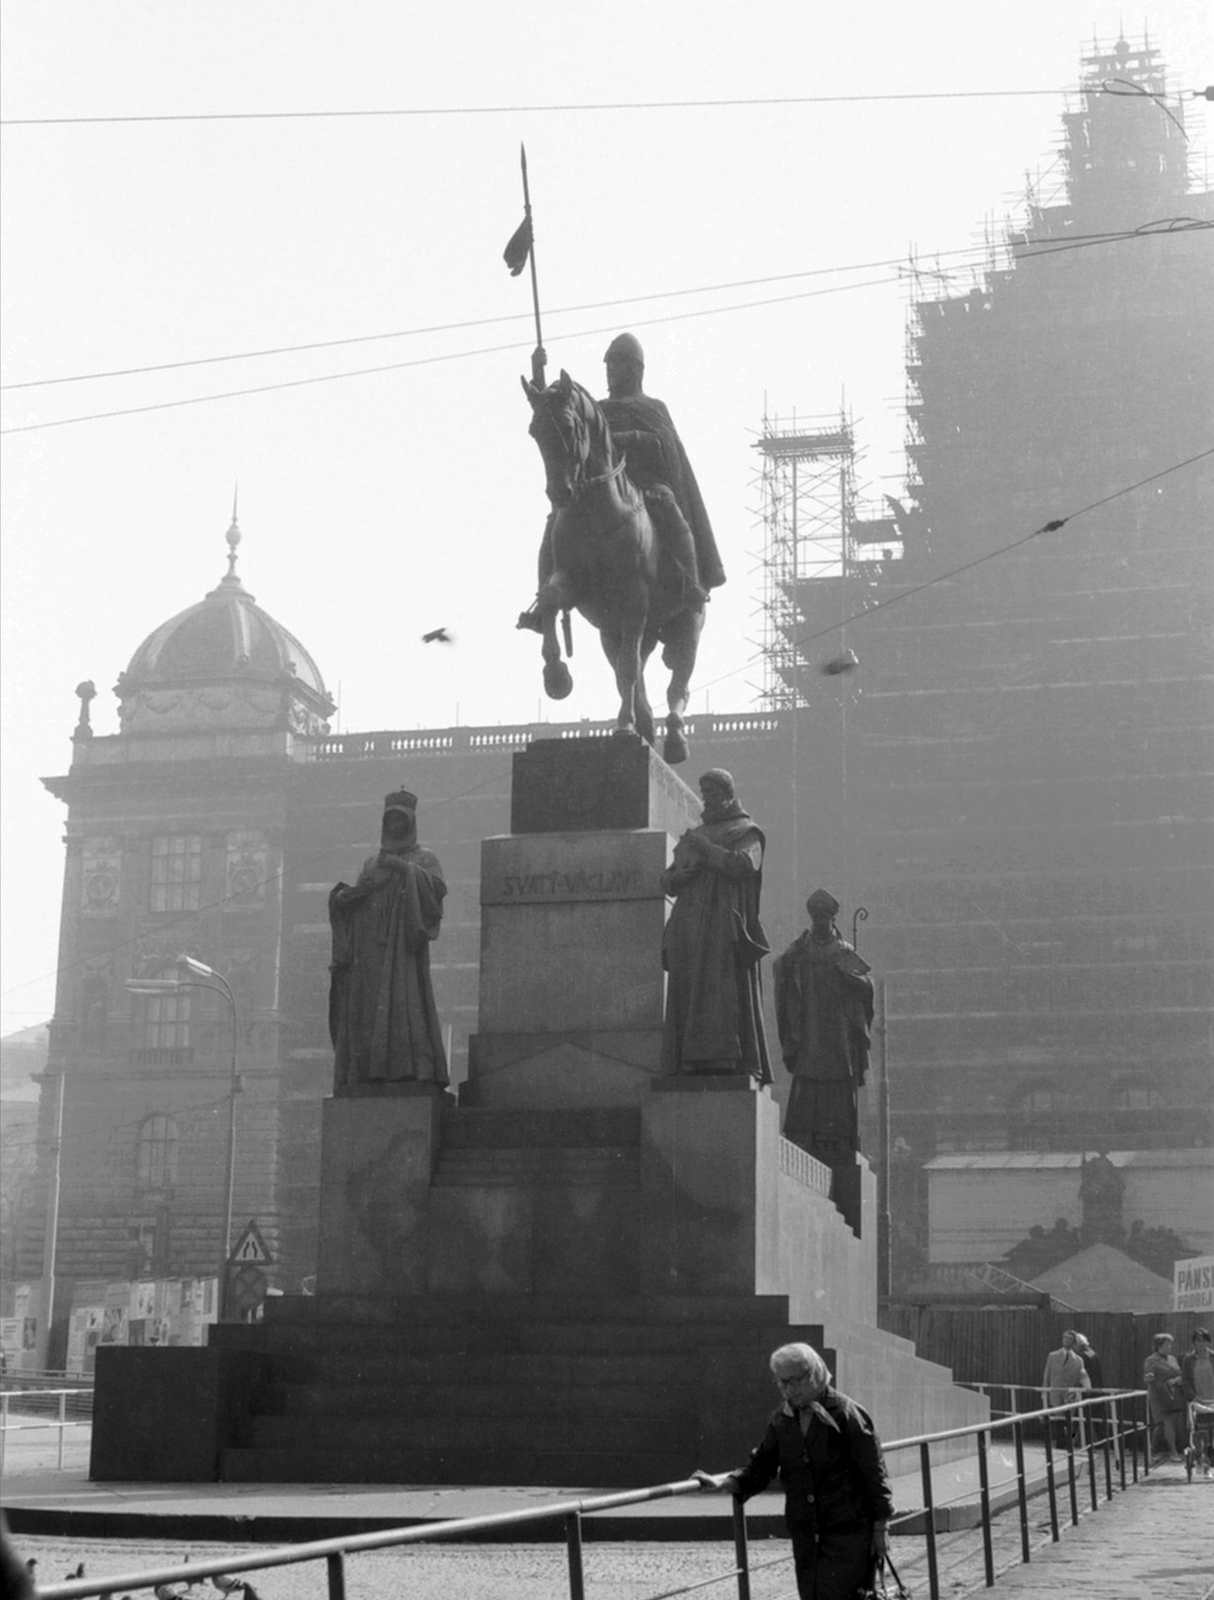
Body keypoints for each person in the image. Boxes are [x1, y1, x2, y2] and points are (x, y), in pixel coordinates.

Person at [518, 332, 725, 630]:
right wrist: (538, 371)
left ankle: (691, 583)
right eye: (608, 366)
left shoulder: (653, 407)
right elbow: (552, 413)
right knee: (555, 523)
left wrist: (628, 439)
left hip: (648, 484)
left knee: (673, 514)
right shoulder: (597, 408)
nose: (611, 372)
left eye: (617, 365)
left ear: (635, 370)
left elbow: (664, 444)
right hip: (599, 489)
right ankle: (543, 605)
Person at [695, 1341, 894, 1600]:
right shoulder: (782, 1418)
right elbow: (762, 1463)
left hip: (848, 1535)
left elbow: (874, 1474)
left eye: (793, 1382)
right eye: (781, 1383)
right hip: (807, 1537)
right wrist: (727, 1482)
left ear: (814, 1375)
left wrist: (881, 1529)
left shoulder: (847, 1414)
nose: (786, 1390)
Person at [328, 790, 449, 1090]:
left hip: (401, 951)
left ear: (410, 822)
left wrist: (404, 869)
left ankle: (407, 1068)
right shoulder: (372, 863)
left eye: (400, 819)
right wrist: (343, 899)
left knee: (403, 1006)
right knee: (368, 1011)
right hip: (369, 950)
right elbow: (361, 895)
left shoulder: (424, 857)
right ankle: (369, 1070)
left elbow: (436, 891)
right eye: (390, 819)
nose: (394, 825)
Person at [660, 769, 772, 1081]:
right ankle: (688, 1063)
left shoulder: (746, 831)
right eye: (703, 791)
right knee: (688, 993)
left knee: (722, 995)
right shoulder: (696, 833)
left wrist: (706, 851)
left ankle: (726, 1062)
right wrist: (674, 879)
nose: (706, 797)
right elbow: (668, 878)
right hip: (689, 927)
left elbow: (743, 865)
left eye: (711, 791)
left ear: (726, 792)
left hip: (723, 927)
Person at [774, 890, 875, 1166]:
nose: (820, 921)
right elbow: (781, 968)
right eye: (816, 917)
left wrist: (855, 982)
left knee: (839, 1076)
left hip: (838, 1029)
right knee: (808, 1075)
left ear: (832, 919)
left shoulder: (845, 951)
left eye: (825, 917)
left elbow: (867, 986)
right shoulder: (802, 949)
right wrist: (791, 957)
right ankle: (803, 1134)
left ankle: (840, 1138)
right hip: (810, 1027)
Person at [1143, 1331, 1186, 1463]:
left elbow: (1181, 1374)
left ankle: (1151, 1450)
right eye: (1167, 1344)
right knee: (1166, 1422)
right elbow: (1147, 1377)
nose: (1169, 1347)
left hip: (1172, 1395)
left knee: (1162, 1425)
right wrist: (1149, 1377)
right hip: (1158, 1395)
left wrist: (1177, 1380)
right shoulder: (1151, 1360)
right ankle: (1173, 1452)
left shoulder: (1172, 1359)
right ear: (1158, 1345)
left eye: (1170, 1344)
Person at [1041, 1329, 1088, 1449]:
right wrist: (1044, 1391)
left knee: (1068, 1420)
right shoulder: (1052, 1356)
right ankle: (1060, 1443)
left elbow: (1081, 1377)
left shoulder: (1078, 1360)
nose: (1066, 1341)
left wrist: (1083, 1389)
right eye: (1065, 1338)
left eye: (1070, 1339)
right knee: (1058, 1419)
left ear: (1073, 1342)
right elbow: (1047, 1374)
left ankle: (1067, 1442)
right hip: (1055, 1392)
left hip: (1070, 1394)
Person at [1181, 1327, 1214, 1479]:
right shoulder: (1188, 1359)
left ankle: (1209, 1464)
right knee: (1199, 1433)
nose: (1201, 1344)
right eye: (1197, 1341)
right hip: (1198, 1402)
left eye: (1203, 1341)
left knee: (1211, 1436)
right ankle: (1201, 1462)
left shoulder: (1212, 1357)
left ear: (1208, 1342)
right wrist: (1193, 1396)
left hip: (1212, 1399)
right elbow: (1185, 1380)